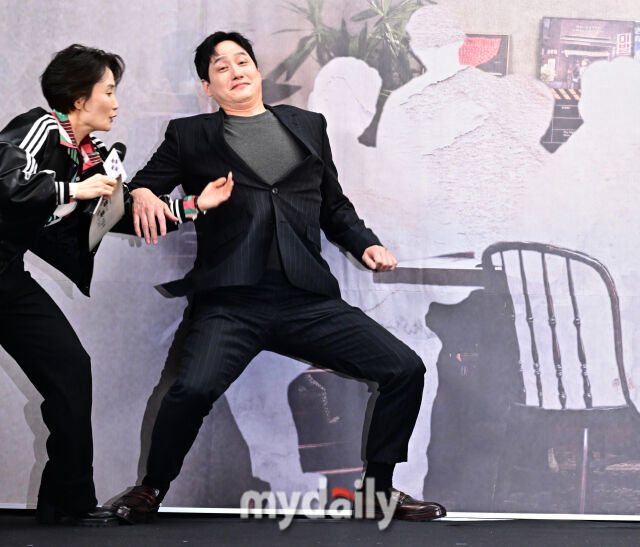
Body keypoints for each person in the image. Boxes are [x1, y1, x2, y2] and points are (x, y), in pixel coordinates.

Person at [112, 31, 446, 523]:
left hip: (306, 299)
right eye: (221, 67)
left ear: (257, 69)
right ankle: (150, 487)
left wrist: (365, 244)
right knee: (190, 391)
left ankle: (378, 491)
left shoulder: (308, 125)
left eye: (242, 60)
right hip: (231, 302)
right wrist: (142, 192)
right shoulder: (190, 135)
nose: (235, 71)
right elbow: (133, 202)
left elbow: (333, 205)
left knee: (405, 369)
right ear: (208, 86)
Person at [0, 44, 124, 526]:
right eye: (108, 91)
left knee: (71, 368)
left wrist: (191, 207)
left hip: (7, 277)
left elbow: (116, 212)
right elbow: (7, 180)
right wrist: (73, 189)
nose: (115, 103)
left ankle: (68, 503)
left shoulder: (87, 154)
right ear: (78, 98)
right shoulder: (41, 126)